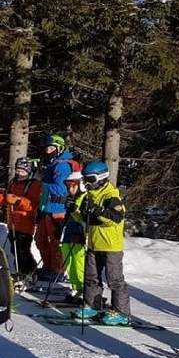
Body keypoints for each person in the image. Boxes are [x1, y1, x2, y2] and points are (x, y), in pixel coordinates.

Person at [70, 161, 131, 325]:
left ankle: (122, 312)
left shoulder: (111, 196)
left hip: (111, 246)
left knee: (114, 279)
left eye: (90, 179)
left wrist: (97, 210)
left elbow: (116, 219)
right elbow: (86, 219)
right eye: (85, 180)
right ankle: (93, 305)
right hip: (93, 244)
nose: (87, 183)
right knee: (91, 277)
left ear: (101, 178)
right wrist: (75, 211)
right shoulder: (90, 195)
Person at [0, 157, 43, 287]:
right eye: (17, 170)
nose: (19, 173)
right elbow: (7, 199)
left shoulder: (34, 184)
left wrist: (18, 201)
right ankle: (21, 272)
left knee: (22, 250)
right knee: (14, 248)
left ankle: (29, 273)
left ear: (28, 172)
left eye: (22, 171)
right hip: (13, 222)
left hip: (25, 222)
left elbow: (32, 204)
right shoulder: (13, 182)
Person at [35, 134, 75, 283]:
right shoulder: (52, 164)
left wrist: (41, 182)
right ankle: (48, 266)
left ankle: (58, 270)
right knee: (39, 239)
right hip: (47, 207)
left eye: (51, 148)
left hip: (58, 209)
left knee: (55, 241)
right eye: (46, 148)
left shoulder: (62, 165)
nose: (48, 151)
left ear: (59, 148)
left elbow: (60, 189)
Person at [60, 171, 87, 303]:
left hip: (80, 233)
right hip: (69, 232)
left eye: (73, 186)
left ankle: (83, 288)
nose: (70, 189)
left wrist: (73, 211)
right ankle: (75, 286)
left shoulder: (85, 198)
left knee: (79, 262)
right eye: (68, 186)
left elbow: (84, 218)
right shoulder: (71, 198)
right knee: (68, 261)